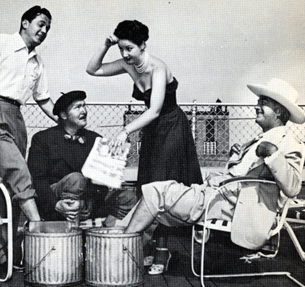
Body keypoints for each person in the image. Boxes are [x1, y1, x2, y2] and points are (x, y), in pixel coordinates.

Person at [122, 78, 305, 274]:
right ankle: (118, 246)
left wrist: (274, 153)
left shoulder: (287, 143)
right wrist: (237, 157)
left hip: (231, 205)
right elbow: (243, 173)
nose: (257, 106)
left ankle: (120, 256)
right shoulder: (261, 138)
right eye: (259, 101)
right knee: (152, 194)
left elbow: (293, 187)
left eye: (264, 102)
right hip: (218, 196)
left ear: (279, 111)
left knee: (158, 192)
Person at [86, 19, 203, 273]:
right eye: (122, 49)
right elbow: (92, 70)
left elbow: (155, 110)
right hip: (152, 132)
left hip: (172, 128)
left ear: (143, 45)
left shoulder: (158, 68)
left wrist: (125, 130)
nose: (125, 54)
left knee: (161, 186)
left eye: (130, 48)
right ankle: (151, 248)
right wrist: (106, 45)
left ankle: (162, 252)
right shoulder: (129, 64)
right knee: (147, 185)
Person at [0, 6, 57, 273]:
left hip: (16, 117)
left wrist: (67, 120)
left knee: (6, 188)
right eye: (40, 24)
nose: (43, 31)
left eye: (48, 28)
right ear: (25, 22)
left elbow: (45, 100)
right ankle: (41, 233)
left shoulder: (37, 63)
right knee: (19, 173)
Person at [27, 91, 137, 227]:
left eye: (84, 106)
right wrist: (55, 204)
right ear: (63, 115)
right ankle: (71, 237)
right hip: (56, 200)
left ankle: (104, 234)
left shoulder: (95, 139)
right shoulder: (43, 139)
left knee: (128, 198)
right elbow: (38, 180)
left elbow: (101, 181)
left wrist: (114, 167)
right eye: (77, 107)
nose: (84, 111)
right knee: (76, 179)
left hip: (88, 199)